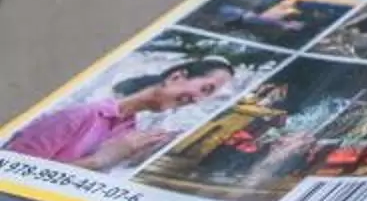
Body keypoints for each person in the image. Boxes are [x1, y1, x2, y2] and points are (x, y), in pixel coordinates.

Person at [8, 58, 239, 173]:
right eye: (205, 89)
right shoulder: (80, 114)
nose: (198, 99)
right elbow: (10, 175)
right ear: (177, 77)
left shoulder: (128, 133)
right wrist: (99, 161)